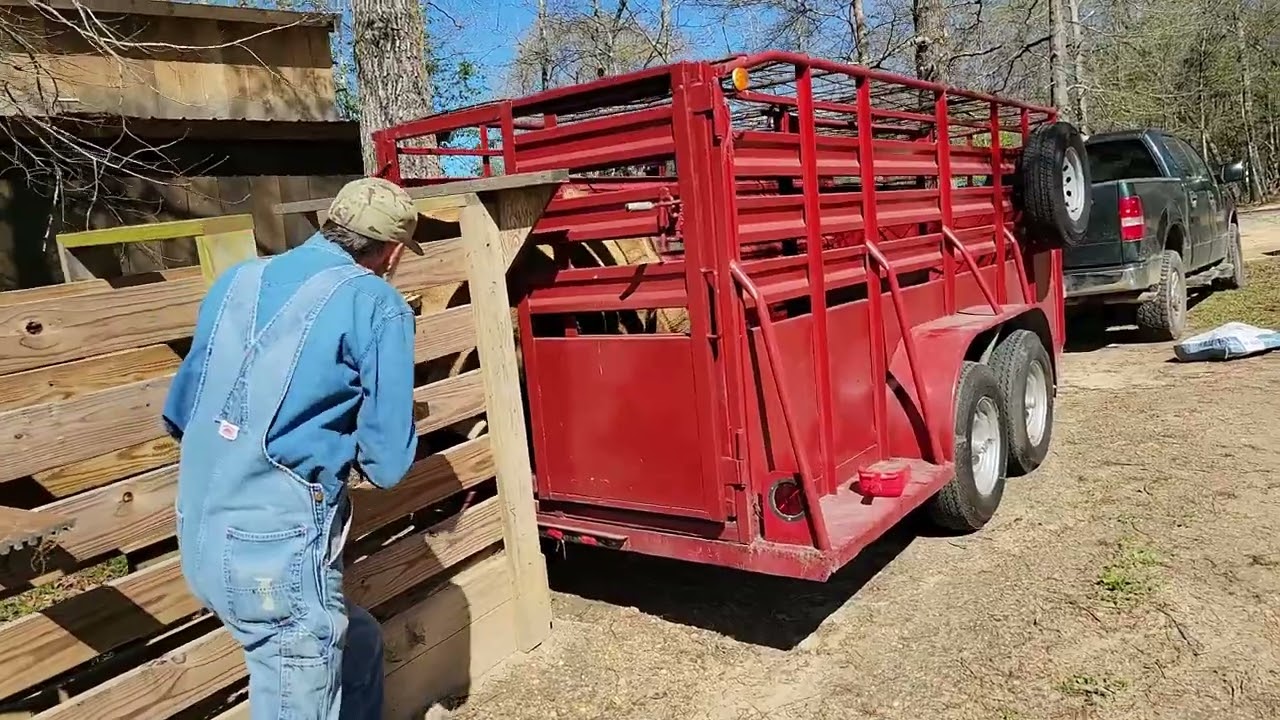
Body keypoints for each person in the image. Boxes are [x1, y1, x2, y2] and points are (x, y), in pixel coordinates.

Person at [163, 177, 423, 720]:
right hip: (274, 553)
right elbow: (387, 463)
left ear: (331, 223)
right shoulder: (377, 303)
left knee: (358, 647)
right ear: (393, 251)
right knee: (295, 686)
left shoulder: (237, 280)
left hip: (202, 534)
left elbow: (181, 413)